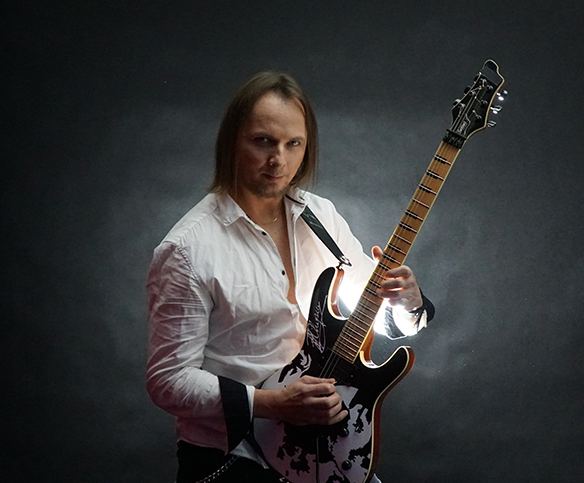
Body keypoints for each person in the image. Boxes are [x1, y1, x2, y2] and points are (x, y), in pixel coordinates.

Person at [146, 71, 435, 483]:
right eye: (263, 141)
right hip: (234, 460)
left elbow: (375, 320)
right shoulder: (188, 249)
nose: (278, 160)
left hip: (326, 449)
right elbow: (168, 380)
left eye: (293, 144)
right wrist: (271, 404)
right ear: (232, 142)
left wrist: (407, 303)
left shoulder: (322, 217)